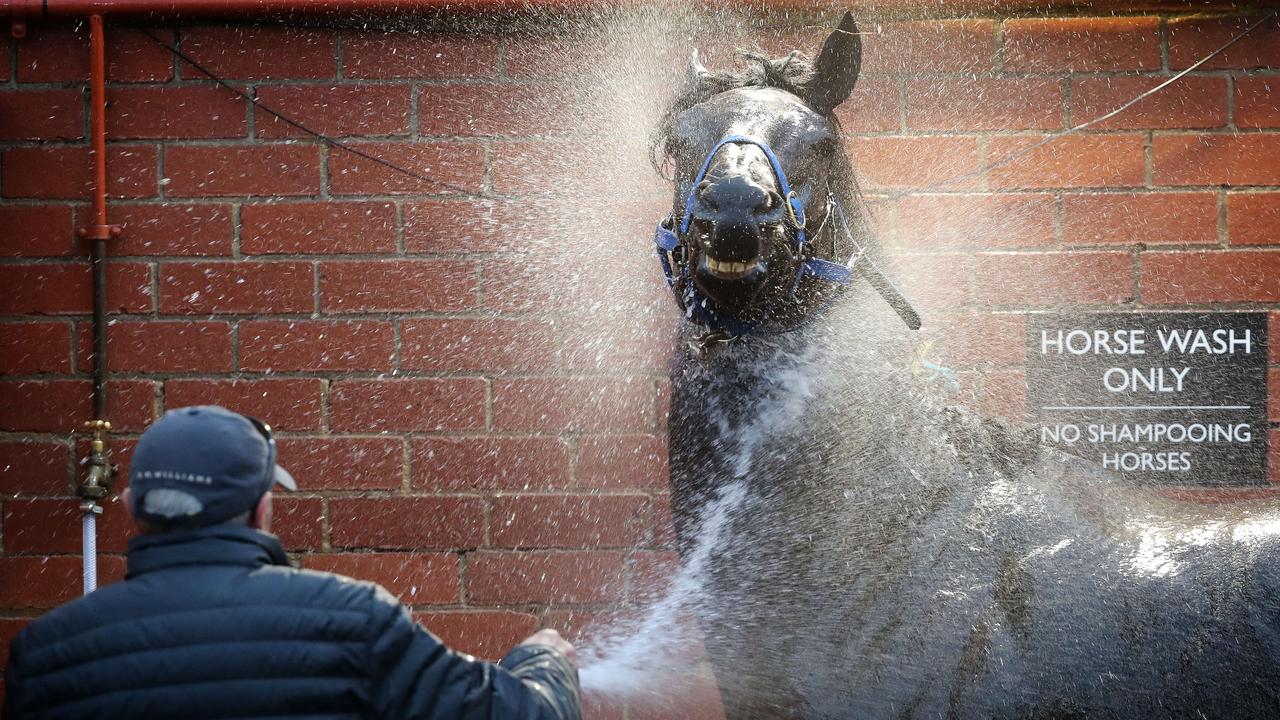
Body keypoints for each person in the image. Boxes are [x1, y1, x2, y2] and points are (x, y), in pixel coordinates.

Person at [4, 405, 581, 720]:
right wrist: (543, 662)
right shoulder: (354, 621)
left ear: (131, 507)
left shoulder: (45, 658)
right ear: (262, 508)